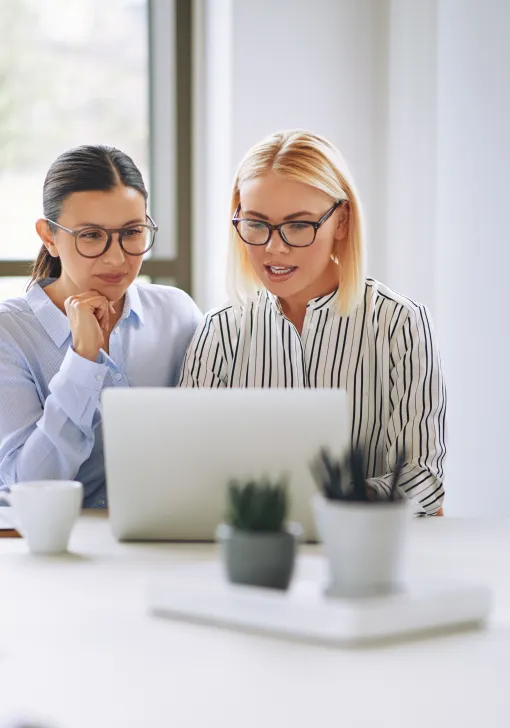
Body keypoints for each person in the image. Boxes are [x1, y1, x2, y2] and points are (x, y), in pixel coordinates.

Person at [180, 130, 446, 514]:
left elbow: (422, 479)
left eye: (299, 225)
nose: (274, 247)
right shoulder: (220, 330)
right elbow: (187, 464)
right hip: (250, 548)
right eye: (256, 224)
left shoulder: (399, 323)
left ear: (341, 222)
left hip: (360, 550)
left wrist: (322, 503)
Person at [0, 145, 201, 507]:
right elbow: (26, 489)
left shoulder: (177, 314)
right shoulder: (10, 333)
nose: (116, 257)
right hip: (57, 549)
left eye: (132, 232)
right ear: (49, 237)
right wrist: (83, 360)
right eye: (91, 235)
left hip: (163, 538)